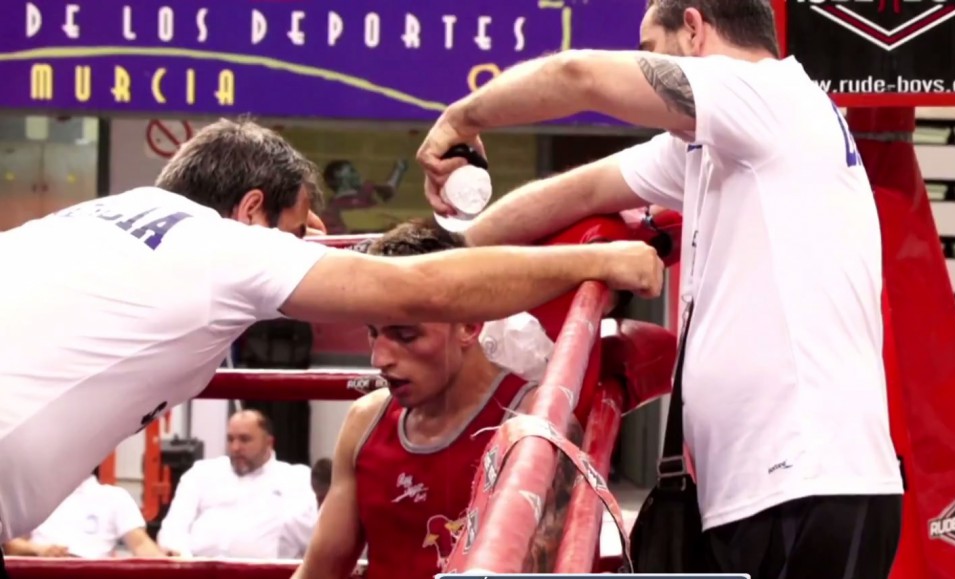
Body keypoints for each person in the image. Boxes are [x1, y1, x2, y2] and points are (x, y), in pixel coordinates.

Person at [0, 118, 664, 560]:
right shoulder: (226, 247)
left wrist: (289, 244)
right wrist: (592, 262)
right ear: (253, 210)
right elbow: (419, 287)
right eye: (296, 226)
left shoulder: (94, 216)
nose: (312, 235)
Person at [414, 0, 904, 577]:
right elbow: (580, 192)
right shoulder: (716, 143)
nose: (641, 66)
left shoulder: (764, 96)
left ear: (693, 29)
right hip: (767, 492)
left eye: (649, 51)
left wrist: (460, 120)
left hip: (809, 484)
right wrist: (433, 259)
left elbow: (579, 75)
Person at [292, 220, 583, 579]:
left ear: (468, 326)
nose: (379, 359)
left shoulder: (532, 423)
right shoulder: (365, 421)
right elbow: (319, 571)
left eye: (406, 335)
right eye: (373, 334)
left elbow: (546, 568)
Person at [157, 410, 317, 559]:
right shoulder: (201, 473)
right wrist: (184, 563)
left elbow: (309, 539)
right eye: (230, 439)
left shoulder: (295, 479)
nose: (235, 447)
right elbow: (173, 527)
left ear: (269, 442)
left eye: (245, 439)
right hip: (198, 572)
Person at [3, 470, 164, 559]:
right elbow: (11, 545)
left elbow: (141, 545)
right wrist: (40, 550)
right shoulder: (34, 495)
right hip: (43, 571)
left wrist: (171, 564)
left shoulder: (114, 497)